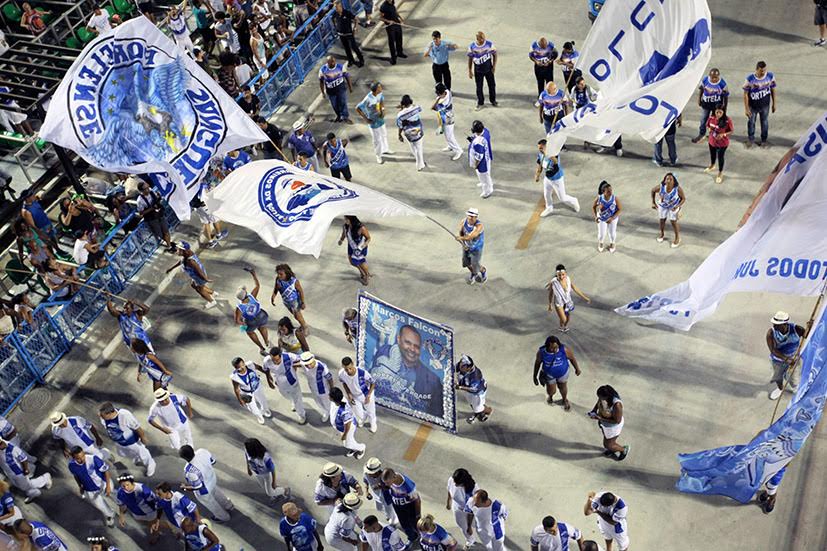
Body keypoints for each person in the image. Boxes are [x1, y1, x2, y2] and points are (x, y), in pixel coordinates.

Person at [371, 324, 445, 417]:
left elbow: (437, 413)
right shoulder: (384, 352)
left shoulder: (432, 381)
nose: (412, 349)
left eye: (416, 346)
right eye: (408, 343)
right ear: (398, 339)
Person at [98, 402, 156, 477]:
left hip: (133, 441)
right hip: (120, 442)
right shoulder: (103, 417)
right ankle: (136, 457)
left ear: (109, 413)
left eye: (102, 415)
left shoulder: (125, 415)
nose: (100, 416)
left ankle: (151, 464)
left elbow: (137, 427)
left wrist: (143, 437)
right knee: (122, 453)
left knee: (143, 454)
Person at [179, 445, 233, 522]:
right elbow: (213, 461)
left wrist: (185, 487)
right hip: (212, 479)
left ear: (184, 458)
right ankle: (228, 505)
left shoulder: (189, 470)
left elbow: (197, 486)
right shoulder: (202, 451)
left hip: (204, 490)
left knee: (211, 503)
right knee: (217, 492)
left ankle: (223, 517)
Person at [67, 446, 115, 527]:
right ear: (73, 457)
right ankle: (110, 515)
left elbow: (106, 471)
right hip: (89, 490)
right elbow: (76, 476)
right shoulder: (71, 466)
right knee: (100, 506)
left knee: (114, 495)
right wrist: (80, 486)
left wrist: (108, 487)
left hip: (103, 484)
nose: (82, 459)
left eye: (83, 456)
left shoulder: (93, 459)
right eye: (78, 458)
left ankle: (126, 501)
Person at [533, 336, 581, 410]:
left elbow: (572, 358)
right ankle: (551, 396)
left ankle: (564, 399)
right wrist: (534, 376)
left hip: (563, 373)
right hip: (549, 375)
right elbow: (537, 364)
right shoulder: (541, 352)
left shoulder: (564, 350)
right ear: (547, 346)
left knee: (562, 387)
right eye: (552, 348)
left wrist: (577, 369)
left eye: (556, 347)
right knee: (551, 390)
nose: (554, 350)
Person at [166, 241, 218, 309]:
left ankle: (212, 301)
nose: (177, 251)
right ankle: (213, 293)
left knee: (200, 290)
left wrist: (206, 279)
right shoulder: (186, 256)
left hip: (199, 277)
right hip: (197, 276)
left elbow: (199, 270)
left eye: (179, 250)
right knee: (193, 285)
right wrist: (171, 268)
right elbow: (181, 262)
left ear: (185, 251)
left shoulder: (190, 261)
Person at [767, 311, 805, 400]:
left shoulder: (797, 329)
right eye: (774, 323)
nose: (774, 326)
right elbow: (773, 350)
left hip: (794, 358)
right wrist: (786, 359)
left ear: (785, 324)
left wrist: (810, 327)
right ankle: (780, 389)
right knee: (778, 378)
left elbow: (808, 335)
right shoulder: (771, 333)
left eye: (777, 324)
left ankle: (796, 389)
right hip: (777, 360)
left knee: (794, 378)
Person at [263, 346, 308, 424]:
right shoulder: (267, 361)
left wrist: (293, 365)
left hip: (291, 380)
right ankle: (292, 401)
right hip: (279, 381)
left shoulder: (289, 356)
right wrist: (269, 380)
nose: (274, 361)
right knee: (285, 395)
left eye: (277, 360)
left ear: (281, 355)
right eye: (273, 359)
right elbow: (266, 370)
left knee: (297, 398)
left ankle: (301, 415)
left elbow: (302, 360)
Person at [535, 139, 579, 218]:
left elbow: (555, 163)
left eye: (541, 148)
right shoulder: (541, 155)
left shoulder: (554, 154)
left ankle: (574, 200)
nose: (539, 150)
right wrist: (537, 174)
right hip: (548, 178)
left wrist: (548, 154)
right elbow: (540, 164)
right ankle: (549, 207)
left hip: (557, 179)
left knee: (562, 198)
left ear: (546, 147)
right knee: (547, 194)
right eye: (539, 148)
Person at [0, 439, 51, 503]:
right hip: (9, 473)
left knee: (25, 486)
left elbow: (23, 459)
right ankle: (34, 493)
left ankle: (45, 478)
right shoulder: (1, 449)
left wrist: (26, 469)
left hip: (18, 473)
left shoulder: (12, 449)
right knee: (18, 485)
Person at [115, 473, 162, 542]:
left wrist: (157, 514)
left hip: (149, 512)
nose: (125, 487)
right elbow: (121, 505)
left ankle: (156, 535)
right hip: (136, 514)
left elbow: (154, 501)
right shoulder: (120, 492)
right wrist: (121, 516)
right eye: (123, 486)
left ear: (132, 483)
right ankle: (160, 526)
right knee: (148, 524)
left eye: (127, 485)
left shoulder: (142, 489)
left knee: (153, 524)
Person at [236, 267, 272, 356]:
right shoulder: (252, 296)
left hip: (250, 321)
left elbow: (237, 320)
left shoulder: (239, 307)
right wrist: (253, 274)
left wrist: (243, 324)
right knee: (262, 327)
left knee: (250, 332)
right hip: (261, 315)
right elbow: (257, 285)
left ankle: (261, 348)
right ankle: (267, 342)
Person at [587, 385, 628, 460]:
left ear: (607, 396)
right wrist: (594, 410)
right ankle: (613, 449)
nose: (599, 399)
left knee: (608, 445)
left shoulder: (617, 405)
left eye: (601, 397)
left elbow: (617, 421)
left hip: (613, 427)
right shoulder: (603, 398)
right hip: (604, 424)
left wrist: (600, 418)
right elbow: (599, 402)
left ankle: (623, 449)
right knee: (608, 441)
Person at [338, 356, 377, 432]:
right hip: (354, 396)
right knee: (358, 413)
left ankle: (373, 424)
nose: (349, 371)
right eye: (346, 369)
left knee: (371, 411)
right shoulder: (341, 374)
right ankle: (363, 416)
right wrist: (349, 394)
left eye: (350, 368)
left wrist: (369, 395)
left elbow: (373, 383)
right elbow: (344, 383)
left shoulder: (362, 373)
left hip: (365, 394)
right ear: (343, 367)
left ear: (352, 364)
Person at [356, 82, 392, 164]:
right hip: (373, 122)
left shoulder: (380, 94)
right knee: (377, 140)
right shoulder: (367, 99)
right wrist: (366, 119)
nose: (381, 88)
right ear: (375, 90)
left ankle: (385, 149)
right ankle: (378, 155)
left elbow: (381, 101)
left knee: (384, 134)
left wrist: (383, 110)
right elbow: (358, 108)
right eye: (379, 87)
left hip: (380, 119)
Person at [546, 264, 590, 332]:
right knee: (564, 319)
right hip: (559, 303)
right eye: (559, 275)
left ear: (565, 273)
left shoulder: (568, 279)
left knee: (567, 319)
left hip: (568, 302)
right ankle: (562, 325)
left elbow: (575, 288)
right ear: (556, 274)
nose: (561, 276)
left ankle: (563, 326)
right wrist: (550, 304)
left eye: (563, 274)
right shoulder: (554, 282)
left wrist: (585, 297)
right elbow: (551, 293)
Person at [743, 61, 777, 147]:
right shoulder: (750, 79)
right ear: (756, 70)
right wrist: (746, 109)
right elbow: (745, 94)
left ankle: (764, 140)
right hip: (753, 106)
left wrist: (774, 104)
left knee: (764, 122)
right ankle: (751, 139)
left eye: (765, 70)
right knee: (751, 122)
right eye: (761, 71)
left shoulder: (770, 76)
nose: (763, 72)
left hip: (765, 106)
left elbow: (773, 90)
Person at [231, 357, 274, 424]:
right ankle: (259, 416)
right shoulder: (235, 377)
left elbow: (261, 369)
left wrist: (268, 377)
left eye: (242, 365)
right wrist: (240, 400)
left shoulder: (251, 365)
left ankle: (265, 410)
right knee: (253, 408)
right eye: (239, 367)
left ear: (244, 363)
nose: (242, 368)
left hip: (257, 387)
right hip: (247, 393)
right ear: (235, 368)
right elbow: (236, 389)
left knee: (263, 401)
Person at [244, 437, 290, 501]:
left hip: (267, 475)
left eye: (247, 448)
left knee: (269, 492)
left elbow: (272, 469)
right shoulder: (248, 451)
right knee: (265, 487)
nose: (245, 449)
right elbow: (246, 457)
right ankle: (276, 494)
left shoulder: (265, 457)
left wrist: (273, 481)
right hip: (257, 474)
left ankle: (285, 490)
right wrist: (248, 469)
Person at [381, 468, 420, 542]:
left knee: (414, 524)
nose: (386, 485)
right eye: (385, 482)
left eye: (387, 482)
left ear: (394, 477)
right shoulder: (391, 479)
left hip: (409, 507)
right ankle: (412, 538)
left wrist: (418, 514)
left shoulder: (408, 486)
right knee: (404, 524)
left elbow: (417, 500)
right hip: (398, 506)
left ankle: (421, 536)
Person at [136, 181, 176, 252]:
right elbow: (141, 212)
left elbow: (156, 198)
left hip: (159, 214)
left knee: (166, 230)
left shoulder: (151, 192)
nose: (148, 190)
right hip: (152, 218)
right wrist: (152, 208)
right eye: (145, 189)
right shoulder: (140, 200)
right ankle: (168, 242)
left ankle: (169, 245)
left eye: (148, 187)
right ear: (141, 190)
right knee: (159, 233)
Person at [691, 68, 729, 143]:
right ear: (709, 76)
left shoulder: (722, 84)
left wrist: (725, 107)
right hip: (706, 104)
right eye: (712, 77)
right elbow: (701, 90)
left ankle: (714, 135)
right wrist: (699, 99)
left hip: (717, 106)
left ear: (718, 76)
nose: (714, 79)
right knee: (703, 119)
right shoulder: (705, 80)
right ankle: (701, 134)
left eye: (716, 77)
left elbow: (726, 96)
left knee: (715, 121)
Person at [330, 386, 366, 459]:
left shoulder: (344, 411)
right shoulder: (339, 400)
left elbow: (348, 424)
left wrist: (345, 435)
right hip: (340, 427)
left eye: (329, 396)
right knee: (350, 441)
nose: (328, 396)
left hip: (347, 429)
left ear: (333, 399)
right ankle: (354, 448)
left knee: (346, 444)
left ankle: (361, 448)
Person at [651, 173, 685, 247]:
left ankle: (677, 238)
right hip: (663, 205)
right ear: (665, 180)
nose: (668, 180)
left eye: (670, 179)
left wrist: (678, 206)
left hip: (674, 206)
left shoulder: (677, 189)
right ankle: (662, 234)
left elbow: (683, 199)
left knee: (673, 221)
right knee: (662, 220)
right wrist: (653, 202)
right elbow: (653, 190)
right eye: (667, 179)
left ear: (674, 181)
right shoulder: (661, 187)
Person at [455, 355, 492, 424]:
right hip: (466, 387)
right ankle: (477, 410)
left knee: (478, 408)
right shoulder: (462, 366)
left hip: (477, 393)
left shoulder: (475, 376)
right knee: (471, 402)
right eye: (460, 364)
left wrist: (460, 387)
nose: (460, 366)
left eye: (463, 366)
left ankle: (487, 411)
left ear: (468, 368)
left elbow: (473, 389)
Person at [445, 468, 477, 548]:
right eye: (454, 481)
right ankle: (470, 540)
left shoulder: (473, 491)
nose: (454, 484)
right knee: (463, 528)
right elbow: (449, 490)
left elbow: (471, 511)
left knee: (477, 525)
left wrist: (469, 526)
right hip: (458, 509)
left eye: (457, 483)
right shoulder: (452, 480)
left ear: (463, 483)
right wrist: (449, 501)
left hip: (472, 511)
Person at [273, 263, 309, 331]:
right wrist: (273, 296)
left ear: (286, 274)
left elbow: (301, 291)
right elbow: (276, 288)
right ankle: (302, 324)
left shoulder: (294, 281)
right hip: (286, 302)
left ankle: (305, 327)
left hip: (295, 301)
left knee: (297, 315)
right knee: (295, 316)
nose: (279, 276)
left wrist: (303, 302)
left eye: (281, 274)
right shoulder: (278, 280)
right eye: (278, 274)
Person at [432, 83, 463, 161]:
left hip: (447, 118)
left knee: (449, 136)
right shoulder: (448, 92)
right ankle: (450, 146)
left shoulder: (441, 101)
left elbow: (434, 108)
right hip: (449, 115)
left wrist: (438, 99)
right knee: (447, 134)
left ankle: (458, 150)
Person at [300, 352, 334, 421]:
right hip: (312, 387)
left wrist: (332, 389)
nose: (307, 366)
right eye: (306, 365)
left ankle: (331, 413)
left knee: (327, 402)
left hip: (323, 389)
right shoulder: (304, 365)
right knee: (318, 402)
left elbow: (329, 379)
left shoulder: (322, 367)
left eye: (309, 364)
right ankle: (325, 411)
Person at [338, 216, 372, 284]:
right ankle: (362, 272)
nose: (345, 220)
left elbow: (368, 238)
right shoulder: (346, 226)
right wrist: (341, 240)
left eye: (346, 219)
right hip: (351, 246)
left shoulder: (361, 227)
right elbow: (344, 234)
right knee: (352, 261)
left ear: (351, 219)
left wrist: (363, 246)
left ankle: (367, 275)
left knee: (361, 262)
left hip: (360, 247)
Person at [467, 31, 497, 110]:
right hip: (478, 70)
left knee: (492, 85)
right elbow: (470, 59)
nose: (484, 39)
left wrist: (494, 66)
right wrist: (470, 70)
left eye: (484, 37)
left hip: (488, 69)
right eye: (482, 38)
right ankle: (480, 103)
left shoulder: (489, 44)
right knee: (479, 87)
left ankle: (493, 100)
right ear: (478, 38)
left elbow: (495, 55)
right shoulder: (472, 47)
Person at [457, 207, 487, 284]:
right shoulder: (463, 222)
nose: (470, 218)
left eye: (472, 216)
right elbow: (461, 232)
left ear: (476, 217)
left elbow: (471, 236)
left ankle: (483, 271)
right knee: (466, 263)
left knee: (476, 265)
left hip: (476, 248)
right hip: (466, 246)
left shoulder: (479, 226)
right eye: (469, 215)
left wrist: (461, 238)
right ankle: (473, 273)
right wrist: (463, 244)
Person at [319, 56, 353, 124]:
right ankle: (339, 115)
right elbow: (321, 82)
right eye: (332, 62)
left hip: (341, 89)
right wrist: (323, 92)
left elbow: (347, 76)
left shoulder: (340, 67)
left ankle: (345, 117)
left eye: (334, 61)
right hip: (331, 91)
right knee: (334, 105)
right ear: (328, 63)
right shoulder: (323, 70)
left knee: (343, 103)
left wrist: (350, 87)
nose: (333, 63)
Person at [363, 457, 397, 525]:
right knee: (379, 508)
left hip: (387, 498)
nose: (368, 474)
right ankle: (388, 516)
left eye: (371, 473)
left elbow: (393, 487)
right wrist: (366, 492)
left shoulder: (385, 476)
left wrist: (381, 486)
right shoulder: (366, 473)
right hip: (377, 497)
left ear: (377, 471)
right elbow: (365, 481)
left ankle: (393, 521)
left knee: (391, 513)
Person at [396, 95, 426, 171]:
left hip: (408, 133)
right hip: (418, 130)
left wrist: (399, 135)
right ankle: (420, 164)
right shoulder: (416, 108)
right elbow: (418, 108)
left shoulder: (400, 114)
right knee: (419, 148)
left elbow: (400, 126)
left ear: (402, 103)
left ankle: (417, 158)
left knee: (412, 145)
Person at [705, 106, 733, 184]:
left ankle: (720, 173)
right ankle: (712, 165)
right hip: (712, 141)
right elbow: (707, 125)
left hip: (722, 143)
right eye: (717, 112)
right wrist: (709, 129)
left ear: (723, 112)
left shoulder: (727, 120)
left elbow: (731, 131)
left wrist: (723, 134)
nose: (718, 114)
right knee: (712, 154)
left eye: (720, 112)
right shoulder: (711, 118)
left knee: (720, 157)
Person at [592, 181, 621, 253]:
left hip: (613, 218)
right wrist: (595, 216)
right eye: (608, 191)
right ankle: (601, 243)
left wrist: (612, 218)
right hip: (602, 218)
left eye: (611, 190)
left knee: (612, 233)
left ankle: (612, 244)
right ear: (603, 192)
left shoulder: (615, 199)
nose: (610, 192)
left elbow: (620, 209)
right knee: (601, 234)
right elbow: (593, 207)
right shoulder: (599, 199)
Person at [332, 1, 364, 67]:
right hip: (341, 34)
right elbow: (333, 20)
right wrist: (336, 27)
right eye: (335, 7)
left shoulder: (347, 13)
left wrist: (355, 27)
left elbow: (356, 18)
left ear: (340, 6)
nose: (335, 9)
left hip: (349, 34)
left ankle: (361, 60)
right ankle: (351, 60)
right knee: (346, 48)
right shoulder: (335, 14)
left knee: (354, 47)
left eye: (336, 7)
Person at [469, 120, 494, 198]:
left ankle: (487, 191)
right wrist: (473, 140)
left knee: (484, 176)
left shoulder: (478, 142)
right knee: (486, 175)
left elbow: (479, 156)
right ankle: (489, 183)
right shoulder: (486, 131)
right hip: (487, 157)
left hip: (482, 163)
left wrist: (476, 165)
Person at [379, 0, 405, 65]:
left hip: (397, 23)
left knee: (399, 38)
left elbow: (395, 11)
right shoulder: (383, 6)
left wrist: (401, 19)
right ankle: (393, 58)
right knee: (392, 42)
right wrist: (389, 21)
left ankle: (400, 53)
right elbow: (381, 18)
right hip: (390, 26)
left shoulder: (392, 2)